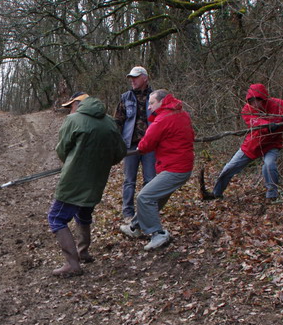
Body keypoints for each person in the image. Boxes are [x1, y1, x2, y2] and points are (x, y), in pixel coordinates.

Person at [49, 92, 127, 276]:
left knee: (56, 218)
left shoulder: (73, 120)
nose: (70, 110)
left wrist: (73, 161)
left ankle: (72, 264)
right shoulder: (110, 121)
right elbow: (119, 152)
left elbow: (62, 150)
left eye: (71, 106)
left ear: (79, 104)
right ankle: (83, 251)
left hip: (74, 180)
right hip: (97, 179)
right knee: (83, 212)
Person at [120, 89, 195, 251]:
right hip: (182, 166)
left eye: (152, 103)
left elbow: (146, 144)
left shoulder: (162, 119)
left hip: (175, 168)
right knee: (156, 197)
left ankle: (158, 233)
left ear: (162, 101)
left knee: (145, 197)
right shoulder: (182, 114)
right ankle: (135, 227)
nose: (149, 107)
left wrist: (140, 146)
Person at [210, 83, 283, 201]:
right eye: (251, 101)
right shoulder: (247, 109)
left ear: (263, 99)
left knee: (269, 165)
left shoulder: (279, 104)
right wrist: (267, 125)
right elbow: (254, 122)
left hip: (272, 144)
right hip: (253, 145)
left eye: (257, 100)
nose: (255, 104)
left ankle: (272, 196)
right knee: (230, 167)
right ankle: (216, 194)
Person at [114, 66, 156, 223]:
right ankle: (128, 213)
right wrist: (116, 143)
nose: (132, 80)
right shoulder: (125, 98)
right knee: (129, 180)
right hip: (130, 146)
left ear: (145, 78)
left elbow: (162, 121)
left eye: (135, 77)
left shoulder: (156, 97)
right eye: (131, 77)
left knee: (150, 180)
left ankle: (147, 212)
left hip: (150, 146)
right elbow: (118, 121)